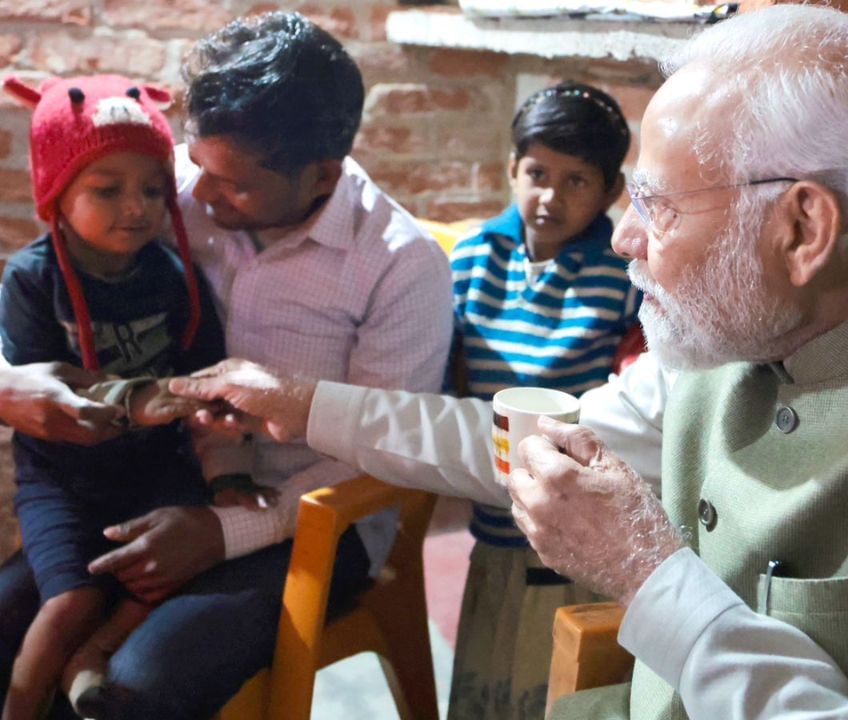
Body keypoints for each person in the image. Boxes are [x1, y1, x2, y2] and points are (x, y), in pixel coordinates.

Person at [140, 5, 848, 718]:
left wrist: (646, 575)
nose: (620, 238)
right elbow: (520, 438)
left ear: (801, 227)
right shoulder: (748, 323)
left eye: (655, 206)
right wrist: (302, 402)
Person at [0, 12, 453, 719]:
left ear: (321, 176)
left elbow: (385, 452)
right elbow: (48, 287)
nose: (195, 196)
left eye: (232, 186)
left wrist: (223, 529)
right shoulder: (166, 185)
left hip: (308, 519)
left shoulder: (400, 266)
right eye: (196, 165)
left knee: (134, 687)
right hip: (152, 480)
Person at [0, 73, 245, 720]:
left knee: (160, 572)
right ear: (56, 193)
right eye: (106, 191)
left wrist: (229, 474)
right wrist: (145, 399)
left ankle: (93, 659)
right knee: (71, 601)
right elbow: (43, 393)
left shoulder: (175, 277)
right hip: (59, 476)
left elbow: (207, 381)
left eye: (152, 190)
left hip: (155, 466)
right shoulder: (31, 280)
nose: (136, 208)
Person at [446, 79, 639, 719]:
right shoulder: (473, 256)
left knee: (550, 687)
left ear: (612, 190)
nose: (549, 197)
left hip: (573, 526)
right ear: (511, 169)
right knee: (483, 680)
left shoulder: (622, 276)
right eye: (536, 173)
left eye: (576, 181)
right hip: (492, 518)